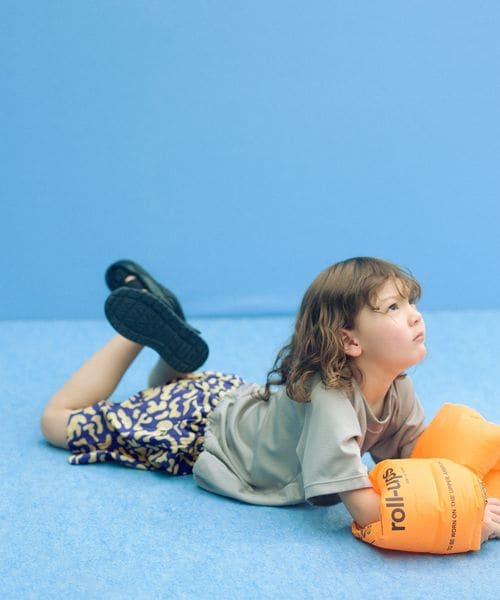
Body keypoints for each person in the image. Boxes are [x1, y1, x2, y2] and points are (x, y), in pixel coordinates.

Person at [40, 257, 500, 544]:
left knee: (168, 389)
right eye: (394, 308)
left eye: (411, 303)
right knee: (57, 422)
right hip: (199, 429)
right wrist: (459, 523)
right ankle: (135, 335)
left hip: (231, 398)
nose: (415, 316)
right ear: (350, 342)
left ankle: (169, 350)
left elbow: (416, 462)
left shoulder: (398, 387)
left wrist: (476, 492)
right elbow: (366, 510)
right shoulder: (333, 401)